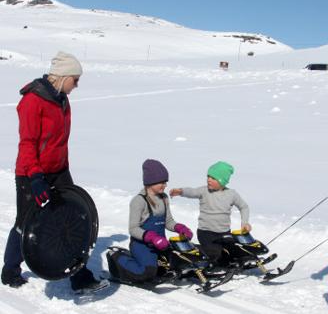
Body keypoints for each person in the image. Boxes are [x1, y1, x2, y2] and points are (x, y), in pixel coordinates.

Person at [1, 51, 103, 292]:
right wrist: (36, 177)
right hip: (31, 173)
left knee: (69, 217)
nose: (76, 85)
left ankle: (78, 274)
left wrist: (63, 168)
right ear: (63, 76)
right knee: (25, 222)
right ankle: (10, 269)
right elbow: (27, 143)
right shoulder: (32, 101)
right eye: (75, 80)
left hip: (59, 170)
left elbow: (59, 141)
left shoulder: (62, 99)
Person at [107, 159, 193, 283]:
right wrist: (152, 237)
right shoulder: (139, 201)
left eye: (166, 182)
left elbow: (168, 221)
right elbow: (133, 228)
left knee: (182, 261)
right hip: (142, 245)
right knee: (146, 273)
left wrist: (180, 228)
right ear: (150, 182)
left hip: (161, 244)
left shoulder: (164, 198)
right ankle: (116, 257)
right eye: (162, 182)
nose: (165, 185)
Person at [169, 161, 251, 265]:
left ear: (222, 180)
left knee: (232, 251)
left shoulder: (232, 194)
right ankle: (193, 250)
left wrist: (244, 223)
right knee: (212, 253)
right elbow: (192, 191)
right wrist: (181, 191)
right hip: (206, 233)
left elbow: (244, 207)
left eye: (213, 178)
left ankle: (225, 262)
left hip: (224, 232)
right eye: (208, 176)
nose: (209, 180)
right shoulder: (204, 191)